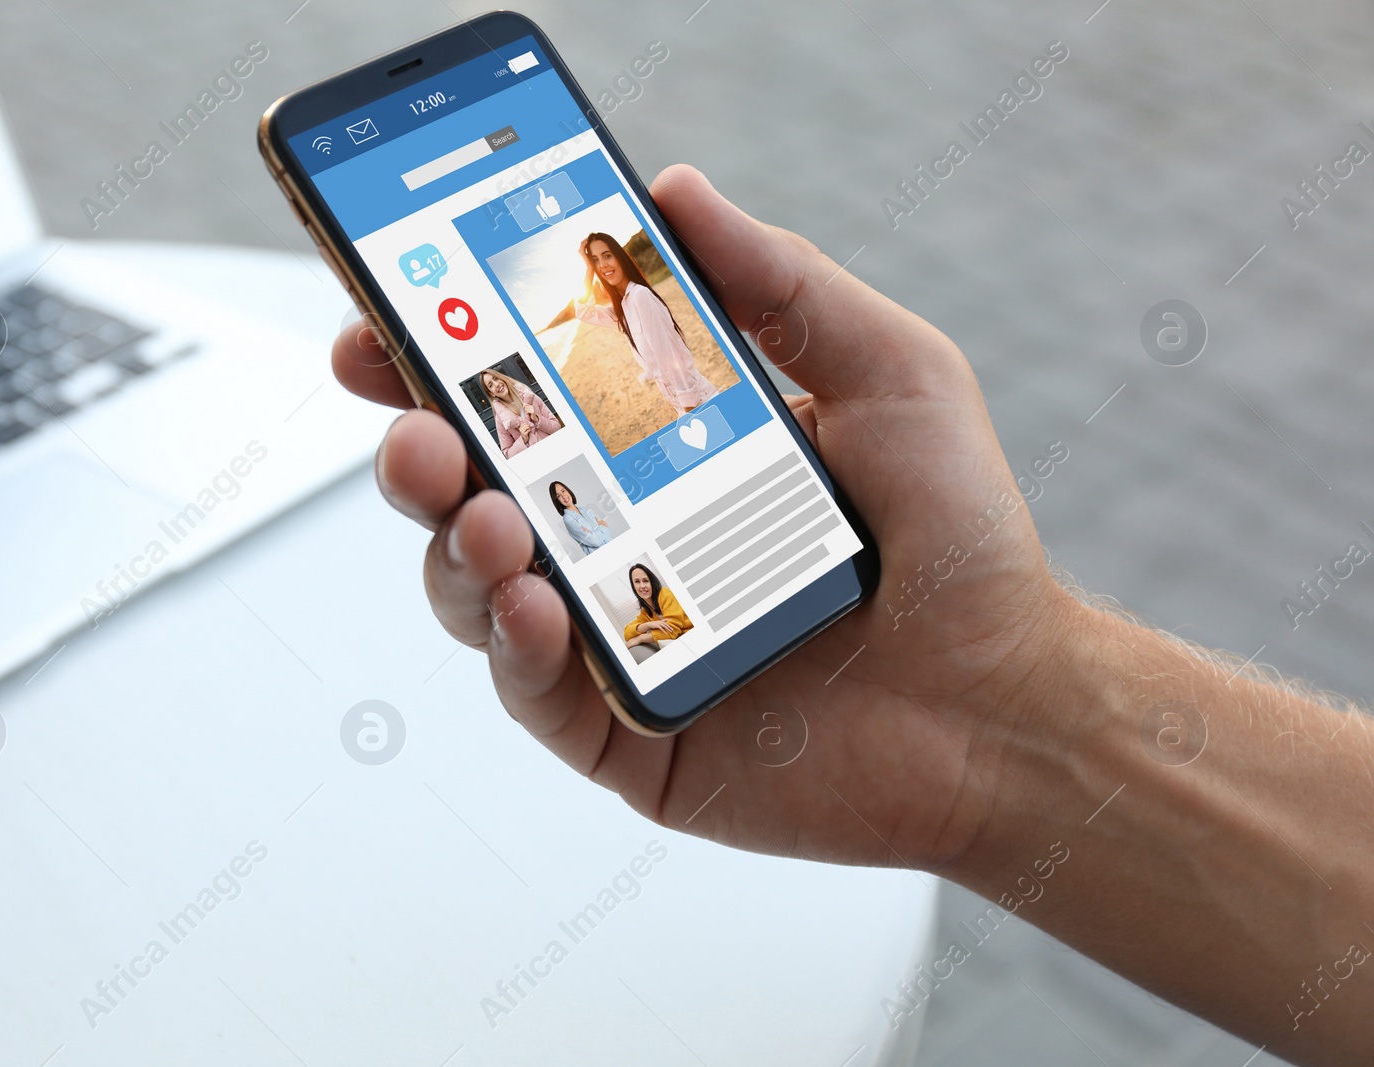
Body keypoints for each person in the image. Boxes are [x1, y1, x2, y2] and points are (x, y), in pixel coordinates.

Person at [335, 165, 1374, 1065]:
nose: (604, 273)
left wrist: (1011, 706)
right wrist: (1010, 712)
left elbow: (677, 366)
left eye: (610, 261)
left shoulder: (648, 304)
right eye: (597, 264)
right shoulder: (605, 305)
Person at [573, 231, 718, 416]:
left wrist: (689, 410)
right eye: (596, 260)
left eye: (607, 256)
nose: (603, 265)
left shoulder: (640, 295)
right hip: (683, 404)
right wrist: (589, 269)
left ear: (620, 257)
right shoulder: (623, 309)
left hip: (698, 401)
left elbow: (670, 357)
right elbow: (584, 312)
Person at [479, 368, 561, 457]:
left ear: (501, 378)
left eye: (495, 378)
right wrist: (523, 439)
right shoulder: (501, 420)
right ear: (492, 394)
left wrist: (537, 419)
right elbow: (507, 454)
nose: (496, 384)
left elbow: (557, 427)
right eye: (490, 385)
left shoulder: (530, 397)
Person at [621, 563, 692, 651]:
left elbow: (672, 631)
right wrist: (647, 625)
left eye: (645, 580)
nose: (642, 586)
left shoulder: (665, 594)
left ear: (652, 582)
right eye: (637, 582)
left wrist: (640, 638)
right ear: (634, 587)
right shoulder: (645, 613)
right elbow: (627, 633)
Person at [548, 480, 611, 556]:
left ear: (567, 490)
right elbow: (595, 541)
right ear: (557, 500)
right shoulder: (568, 519)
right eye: (558, 496)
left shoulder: (585, 510)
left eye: (563, 491)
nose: (564, 497)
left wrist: (595, 532)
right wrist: (603, 526)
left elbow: (607, 535)